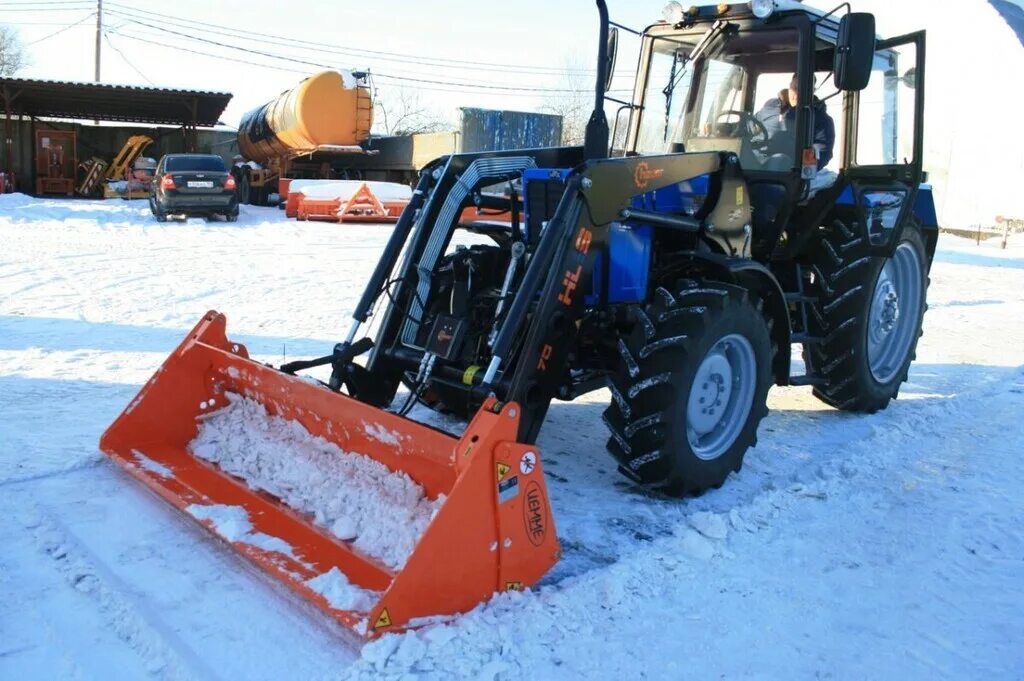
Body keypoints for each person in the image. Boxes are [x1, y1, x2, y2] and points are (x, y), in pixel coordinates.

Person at [755, 74, 835, 170]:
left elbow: (821, 153)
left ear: (812, 91)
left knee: (779, 161)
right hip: (754, 164)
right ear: (790, 86)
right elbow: (751, 125)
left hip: (786, 174)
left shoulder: (821, 120)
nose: (798, 93)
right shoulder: (770, 106)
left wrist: (802, 168)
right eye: (795, 88)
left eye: (805, 90)